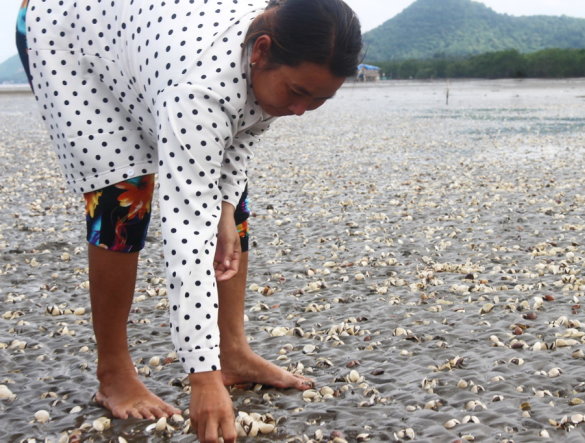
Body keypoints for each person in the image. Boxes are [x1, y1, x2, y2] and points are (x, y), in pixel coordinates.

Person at [17, 0, 362, 441]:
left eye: (319, 99)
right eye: (297, 93)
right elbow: (186, 239)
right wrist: (202, 378)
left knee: (230, 208)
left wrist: (224, 206)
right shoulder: (200, 90)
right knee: (123, 196)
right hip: (66, 33)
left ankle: (233, 351)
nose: (301, 111)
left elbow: (239, 140)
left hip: (145, 39)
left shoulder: (284, 43)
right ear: (260, 52)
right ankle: (114, 373)